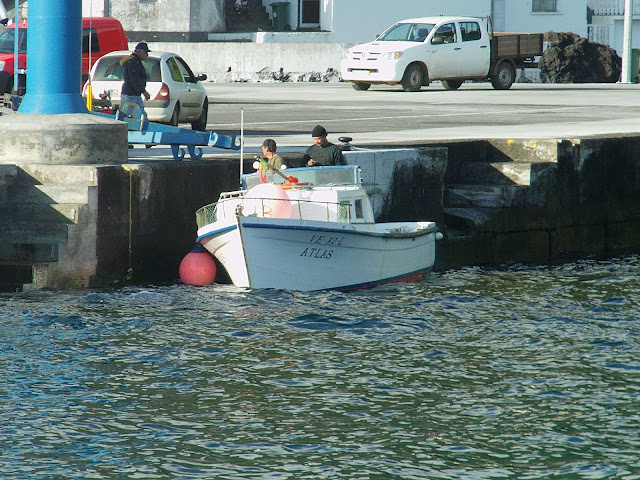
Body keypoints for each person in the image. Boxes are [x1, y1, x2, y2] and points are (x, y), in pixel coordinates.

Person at [120, 42, 151, 122]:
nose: (147, 55)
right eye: (145, 52)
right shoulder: (133, 62)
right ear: (139, 51)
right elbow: (134, 79)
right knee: (132, 117)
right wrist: (144, 91)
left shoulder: (136, 61)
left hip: (134, 94)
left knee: (140, 116)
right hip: (130, 95)